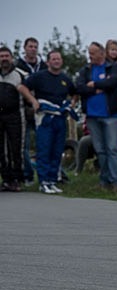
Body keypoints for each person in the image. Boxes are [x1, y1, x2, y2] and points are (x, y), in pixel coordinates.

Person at [18, 50, 77, 194]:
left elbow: (75, 93)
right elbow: (21, 87)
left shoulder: (65, 78)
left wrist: (72, 104)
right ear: (48, 61)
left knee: (57, 151)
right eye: (53, 59)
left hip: (60, 118)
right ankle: (43, 181)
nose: (56, 61)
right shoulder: (39, 76)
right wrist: (33, 101)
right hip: (45, 118)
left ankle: (52, 180)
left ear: (61, 61)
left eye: (58, 59)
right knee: (44, 149)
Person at [75, 42, 117, 191]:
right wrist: (93, 89)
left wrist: (95, 84)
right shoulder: (85, 70)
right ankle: (104, 180)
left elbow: (113, 82)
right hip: (92, 116)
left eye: (93, 53)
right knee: (100, 150)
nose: (90, 56)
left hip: (111, 115)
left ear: (102, 53)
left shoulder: (113, 67)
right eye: (89, 53)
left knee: (113, 148)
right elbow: (80, 87)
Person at [15, 37, 45, 186]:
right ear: (25, 48)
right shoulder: (18, 66)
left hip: (42, 109)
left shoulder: (43, 65)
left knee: (45, 144)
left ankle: (49, 175)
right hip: (25, 109)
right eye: (30, 46)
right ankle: (28, 175)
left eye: (35, 46)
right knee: (24, 145)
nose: (33, 49)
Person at [0, 46, 27, 191]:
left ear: (11, 58)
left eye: (6, 56)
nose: (4, 59)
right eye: (1, 56)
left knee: (16, 148)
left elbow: (30, 93)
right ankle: (6, 179)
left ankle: (17, 179)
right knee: (1, 150)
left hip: (15, 115)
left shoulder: (20, 75)